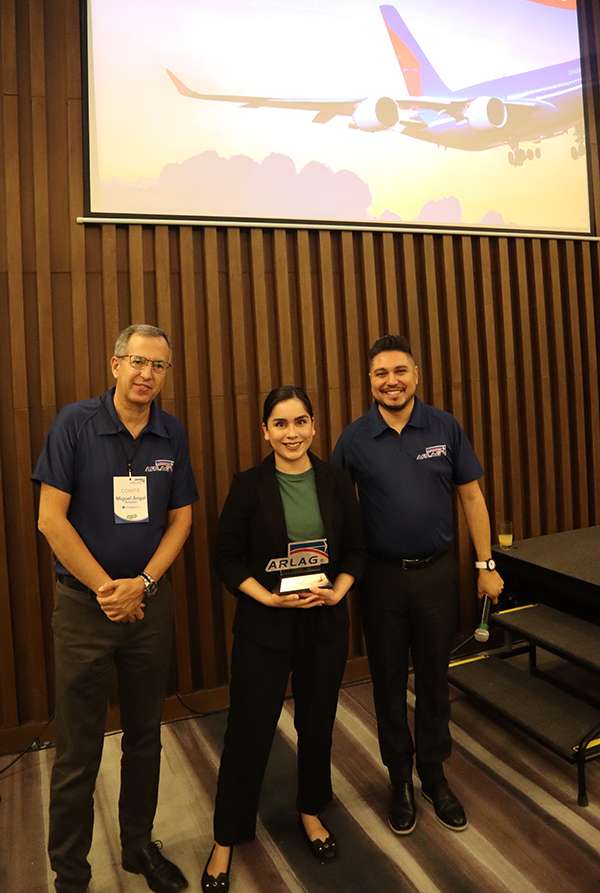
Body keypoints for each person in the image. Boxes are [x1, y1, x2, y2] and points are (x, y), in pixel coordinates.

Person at [33, 324, 198, 893]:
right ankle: (70, 877)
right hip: (86, 611)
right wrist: (111, 590)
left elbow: (181, 519)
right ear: (115, 365)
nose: (147, 374)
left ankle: (137, 846)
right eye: (137, 362)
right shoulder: (74, 424)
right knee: (77, 751)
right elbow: (50, 519)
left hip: (147, 608)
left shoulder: (171, 433)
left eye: (158, 366)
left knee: (145, 736)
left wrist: (143, 584)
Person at [333, 334, 503, 835]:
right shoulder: (355, 438)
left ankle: (433, 774)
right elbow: (335, 508)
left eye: (400, 371)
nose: (392, 381)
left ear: (416, 375)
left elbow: (471, 497)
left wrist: (485, 564)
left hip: (436, 576)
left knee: (433, 678)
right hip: (380, 581)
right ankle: (399, 779)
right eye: (381, 373)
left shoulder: (445, 427)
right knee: (387, 682)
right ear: (370, 381)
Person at [202, 386, 365, 892]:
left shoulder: (335, 481)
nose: (291, 433)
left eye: (300, 422)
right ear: (265, 432)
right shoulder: (248, 486)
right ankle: (226, 837)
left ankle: (311, 811)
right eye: (280, 424)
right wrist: (267, 599)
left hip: (323, 625)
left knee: (317, 725)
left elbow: (356, 549)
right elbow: (226, 557)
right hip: (264, 627)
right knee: (248, 731)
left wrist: (338, 592)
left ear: (314, 426)